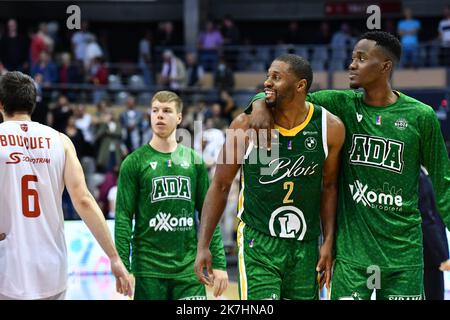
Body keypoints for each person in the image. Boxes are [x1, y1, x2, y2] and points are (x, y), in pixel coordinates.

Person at [247, 31, 450, 300]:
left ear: (385, 66)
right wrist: (259, 103)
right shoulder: (340, 104)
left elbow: (443, 182)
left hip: (403, 257)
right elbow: (288, 97)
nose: (351, 65)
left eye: (361, 59)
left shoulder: (420, 116)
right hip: (352, 257)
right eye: (352, 58)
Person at [195, 54, 345, 300]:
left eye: (276, 77)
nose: (267, 82)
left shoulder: (330, 127)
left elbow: (329, 187)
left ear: (300, 86)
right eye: (267, 76)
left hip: (305, 244)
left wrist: (328, 240)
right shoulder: (244, 125)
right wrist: (204, 245)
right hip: (259, 242)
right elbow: (220, 186)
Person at [0, 71, 132, 300]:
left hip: (8, 268)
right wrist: (114, 257)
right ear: (32, 104)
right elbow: (83, 200)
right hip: (52, 268)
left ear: (1, 104)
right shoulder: (60, 141)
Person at [115, 90, 228, 300]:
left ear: (179, 118)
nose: (159, 115)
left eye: (166, 111)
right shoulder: (134, 162)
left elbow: (208, 215)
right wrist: (124, 265)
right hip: (148, 270)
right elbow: (123, 218)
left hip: (188, 269)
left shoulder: (194, 161)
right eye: (155, 110)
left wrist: (219, 263)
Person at [419, 167, 450, 300]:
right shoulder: (420, 177)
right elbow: (427, 220)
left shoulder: (425, 175)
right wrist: (442, 256)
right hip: (429, 255)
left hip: (429, 253)